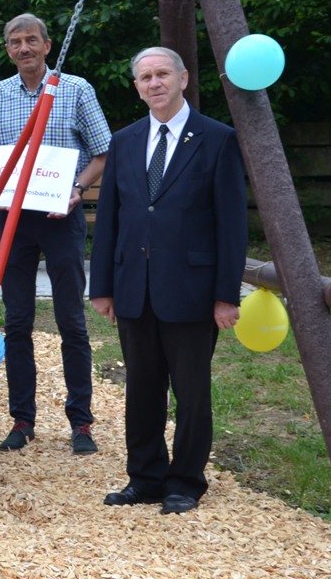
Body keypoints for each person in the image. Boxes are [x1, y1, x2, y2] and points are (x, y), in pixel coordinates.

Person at [90, 46, 246, 514]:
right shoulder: (125, 141)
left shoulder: (216, 139)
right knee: (141, 387)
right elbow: (111, 218)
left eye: (162, 74)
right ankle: (145, 477)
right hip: (134, 288)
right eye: (145, 77)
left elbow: (232, 224)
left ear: (183, 78)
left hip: (192, 291)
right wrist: (102, 286)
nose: (154, 83)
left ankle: (185, 482)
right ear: (136, 87)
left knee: (192, 392)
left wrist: (225, 296)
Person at [0, 12, 111, 455]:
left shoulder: (74, 89)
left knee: (70, 320)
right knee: (16, 321)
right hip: (15, 223)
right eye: (15, 42)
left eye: (31, 40)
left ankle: (82, 422)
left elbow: (102, 151)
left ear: (47, 45)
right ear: (8, 50)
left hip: (62, 217)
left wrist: (77, 189)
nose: (24, 48)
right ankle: (22, 419)